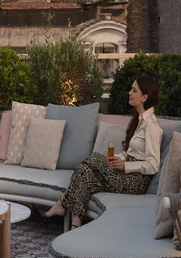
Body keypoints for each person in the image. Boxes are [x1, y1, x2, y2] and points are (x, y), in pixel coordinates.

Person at [46, 76, 162, 229]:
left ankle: (62, 203)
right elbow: (130, 152)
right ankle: (76, 223)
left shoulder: (151, 126)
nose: (129, 93)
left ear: (145, 97)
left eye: (134, 90)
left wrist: (125, 166)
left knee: (94, 159)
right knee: (86, 174)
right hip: (126, 173)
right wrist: (118, 158)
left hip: (137, 181)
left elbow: (153, 165)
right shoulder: (138, 120)